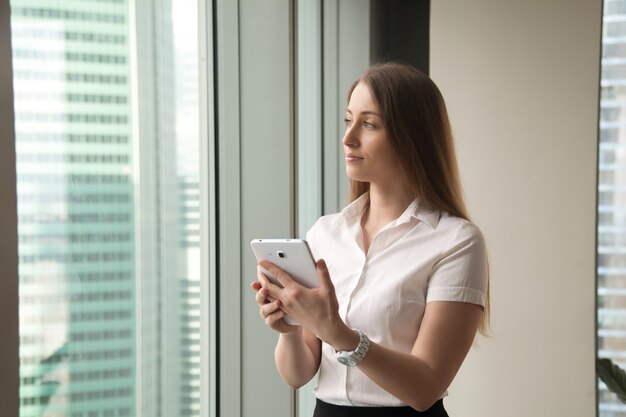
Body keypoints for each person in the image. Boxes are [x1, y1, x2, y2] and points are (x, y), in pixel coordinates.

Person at [251, 62, 489, 417]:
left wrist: (338, 332)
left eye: (369, 124)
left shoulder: (455, 242)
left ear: (412, 137)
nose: (348, 138)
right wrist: (288, 328)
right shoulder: (325, 233)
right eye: (348, 121)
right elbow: (296, 374)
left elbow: (425, 388)